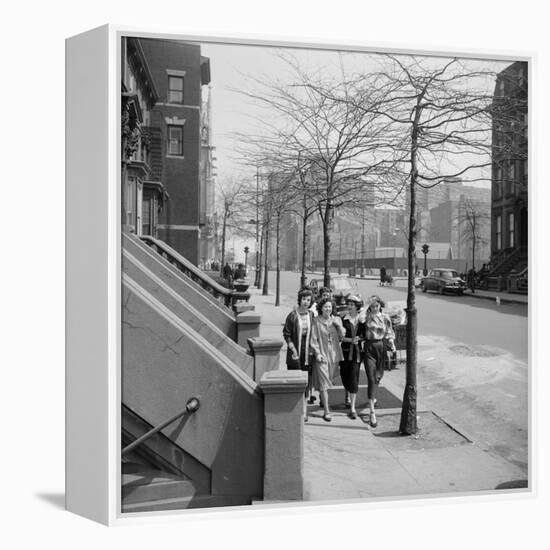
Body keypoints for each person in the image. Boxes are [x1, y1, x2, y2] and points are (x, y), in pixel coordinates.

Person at [283, 288, 316, 421]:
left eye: (308, 300)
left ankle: (304, 410)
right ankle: (294, 409)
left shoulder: (311, 315)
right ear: (299, 300)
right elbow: (286, 334)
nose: (306, 302)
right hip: (295, 351)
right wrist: (293, 349)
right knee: (295, 379)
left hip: (308, 352)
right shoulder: (292, 315)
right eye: (304, 299)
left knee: (306, 381)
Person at [310, 298, 345, 422]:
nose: (328, 309)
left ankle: (322, 397)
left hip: (334, 355)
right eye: (325, 307)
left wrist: (339, 326)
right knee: (324, 384)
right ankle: (326, 411)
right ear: (321, 308)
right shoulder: (316, 321)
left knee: (328, 380)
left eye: (330, 307)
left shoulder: (336, 320)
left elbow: (342, 336)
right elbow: (313, 340)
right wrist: (317, 354)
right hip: (322, 356)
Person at [363, 296, 396, 428]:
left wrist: (392, 344)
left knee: (378, 376)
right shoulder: (366, 317)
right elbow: (359, 320)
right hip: (369, 347)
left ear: (380, 306)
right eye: (373, 306)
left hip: (381, 347)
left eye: (377, 306)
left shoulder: (385, 318)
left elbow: (389, 332)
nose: (375, 308)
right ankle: (372, 412)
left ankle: (373, 395)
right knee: (371, 378)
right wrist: (366, 307)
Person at [339, 295, 365, 420]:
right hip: (344, 352)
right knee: (344, 376)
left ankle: (353, 408)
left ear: (356, 307)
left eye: (352, 305)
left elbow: (366, 334)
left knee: (354, 378)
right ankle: (347, 396)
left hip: (357, 354)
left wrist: (360, 338)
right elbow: (339, 337)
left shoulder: (361, 321)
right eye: (348, 304)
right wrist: (350, 340)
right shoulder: (343, 319)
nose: (349, 307)